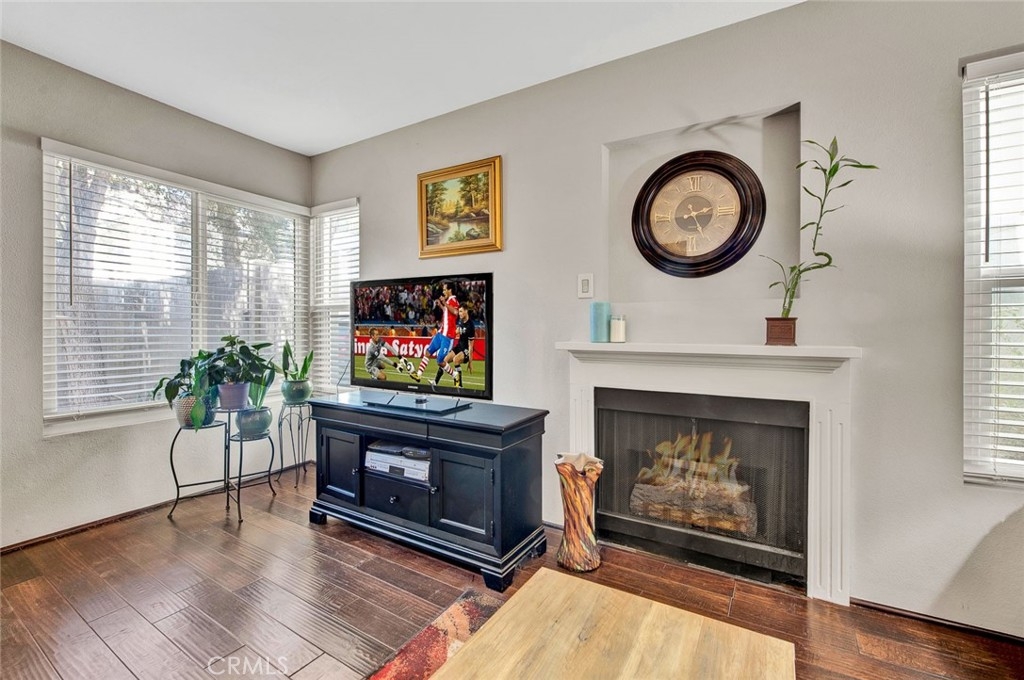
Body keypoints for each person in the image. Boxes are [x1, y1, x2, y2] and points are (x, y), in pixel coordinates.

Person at [410, 281, 458, 384]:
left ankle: (455, 375)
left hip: (448, 336)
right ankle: (418, 375)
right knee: (428, 352)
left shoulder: (453, 300)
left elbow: (455, 312)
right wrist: (441, 305)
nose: (443, 292)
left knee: (440, 361)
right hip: (441, 333)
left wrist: (445, 303)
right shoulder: (448, 301)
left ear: (450, 290)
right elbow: (447, 312)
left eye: (445, 289)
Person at [434, 305, 475, 388]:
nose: (459, 313)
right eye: (459, 311)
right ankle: (435, 382)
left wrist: (470, 362)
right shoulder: (460, 321)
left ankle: (459, 385)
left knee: (456, 359)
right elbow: (457, 331)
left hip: (466, 349)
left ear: (466, 311)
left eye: (461, 311)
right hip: (459, 346)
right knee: (444, 360)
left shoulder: (471, 326)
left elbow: (471, 345)